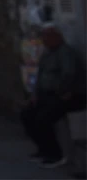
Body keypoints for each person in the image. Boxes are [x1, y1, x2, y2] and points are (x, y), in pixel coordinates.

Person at [21, 23, 86, 168]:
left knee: (44, 118)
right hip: (47, 95)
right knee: (27, 115)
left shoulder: (66, 53)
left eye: (47, 36)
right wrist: (35, 94)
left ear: (57, 36)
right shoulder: (47, 54)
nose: (44, 40)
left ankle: (54, 154)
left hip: (66, 96)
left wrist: (62, 91)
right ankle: (43, 150)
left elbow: (69, 75)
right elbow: (40, 76)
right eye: (43, 36)